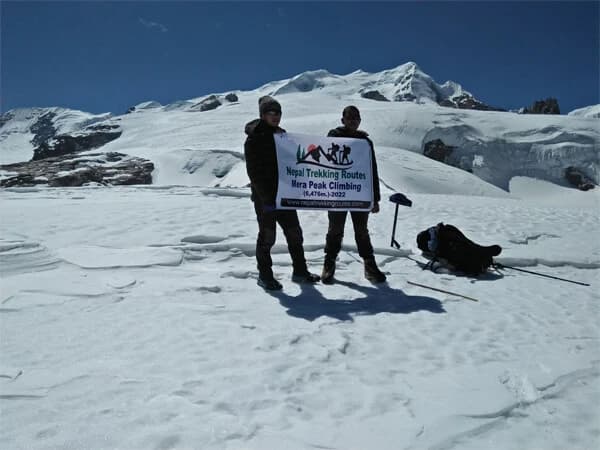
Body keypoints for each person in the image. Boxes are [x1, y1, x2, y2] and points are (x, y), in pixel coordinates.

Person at [244, 96, 320, 290]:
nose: (276, 116)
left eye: (278, 113)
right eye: (271, 112)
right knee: (268, 237)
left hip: (285, 195)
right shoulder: (254, 138)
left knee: (295, 233)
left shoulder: (282, 136)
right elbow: (254, 172)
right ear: (263, 114)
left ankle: (300, 271)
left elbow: (293, 163)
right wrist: (267, 198)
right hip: (265, 198)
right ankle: (265, 276)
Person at [322, 105, 386, 283]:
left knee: (362, 231)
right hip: (338, 193)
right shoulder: (334, 136)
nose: (353, 120)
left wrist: (375, 198)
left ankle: (369, 265)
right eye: (349, 117)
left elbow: (371, 169)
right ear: (342, 120)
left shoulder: (365, 142)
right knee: (335, 230)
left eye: (356, 117)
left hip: (360, 194)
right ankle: (329, 264)